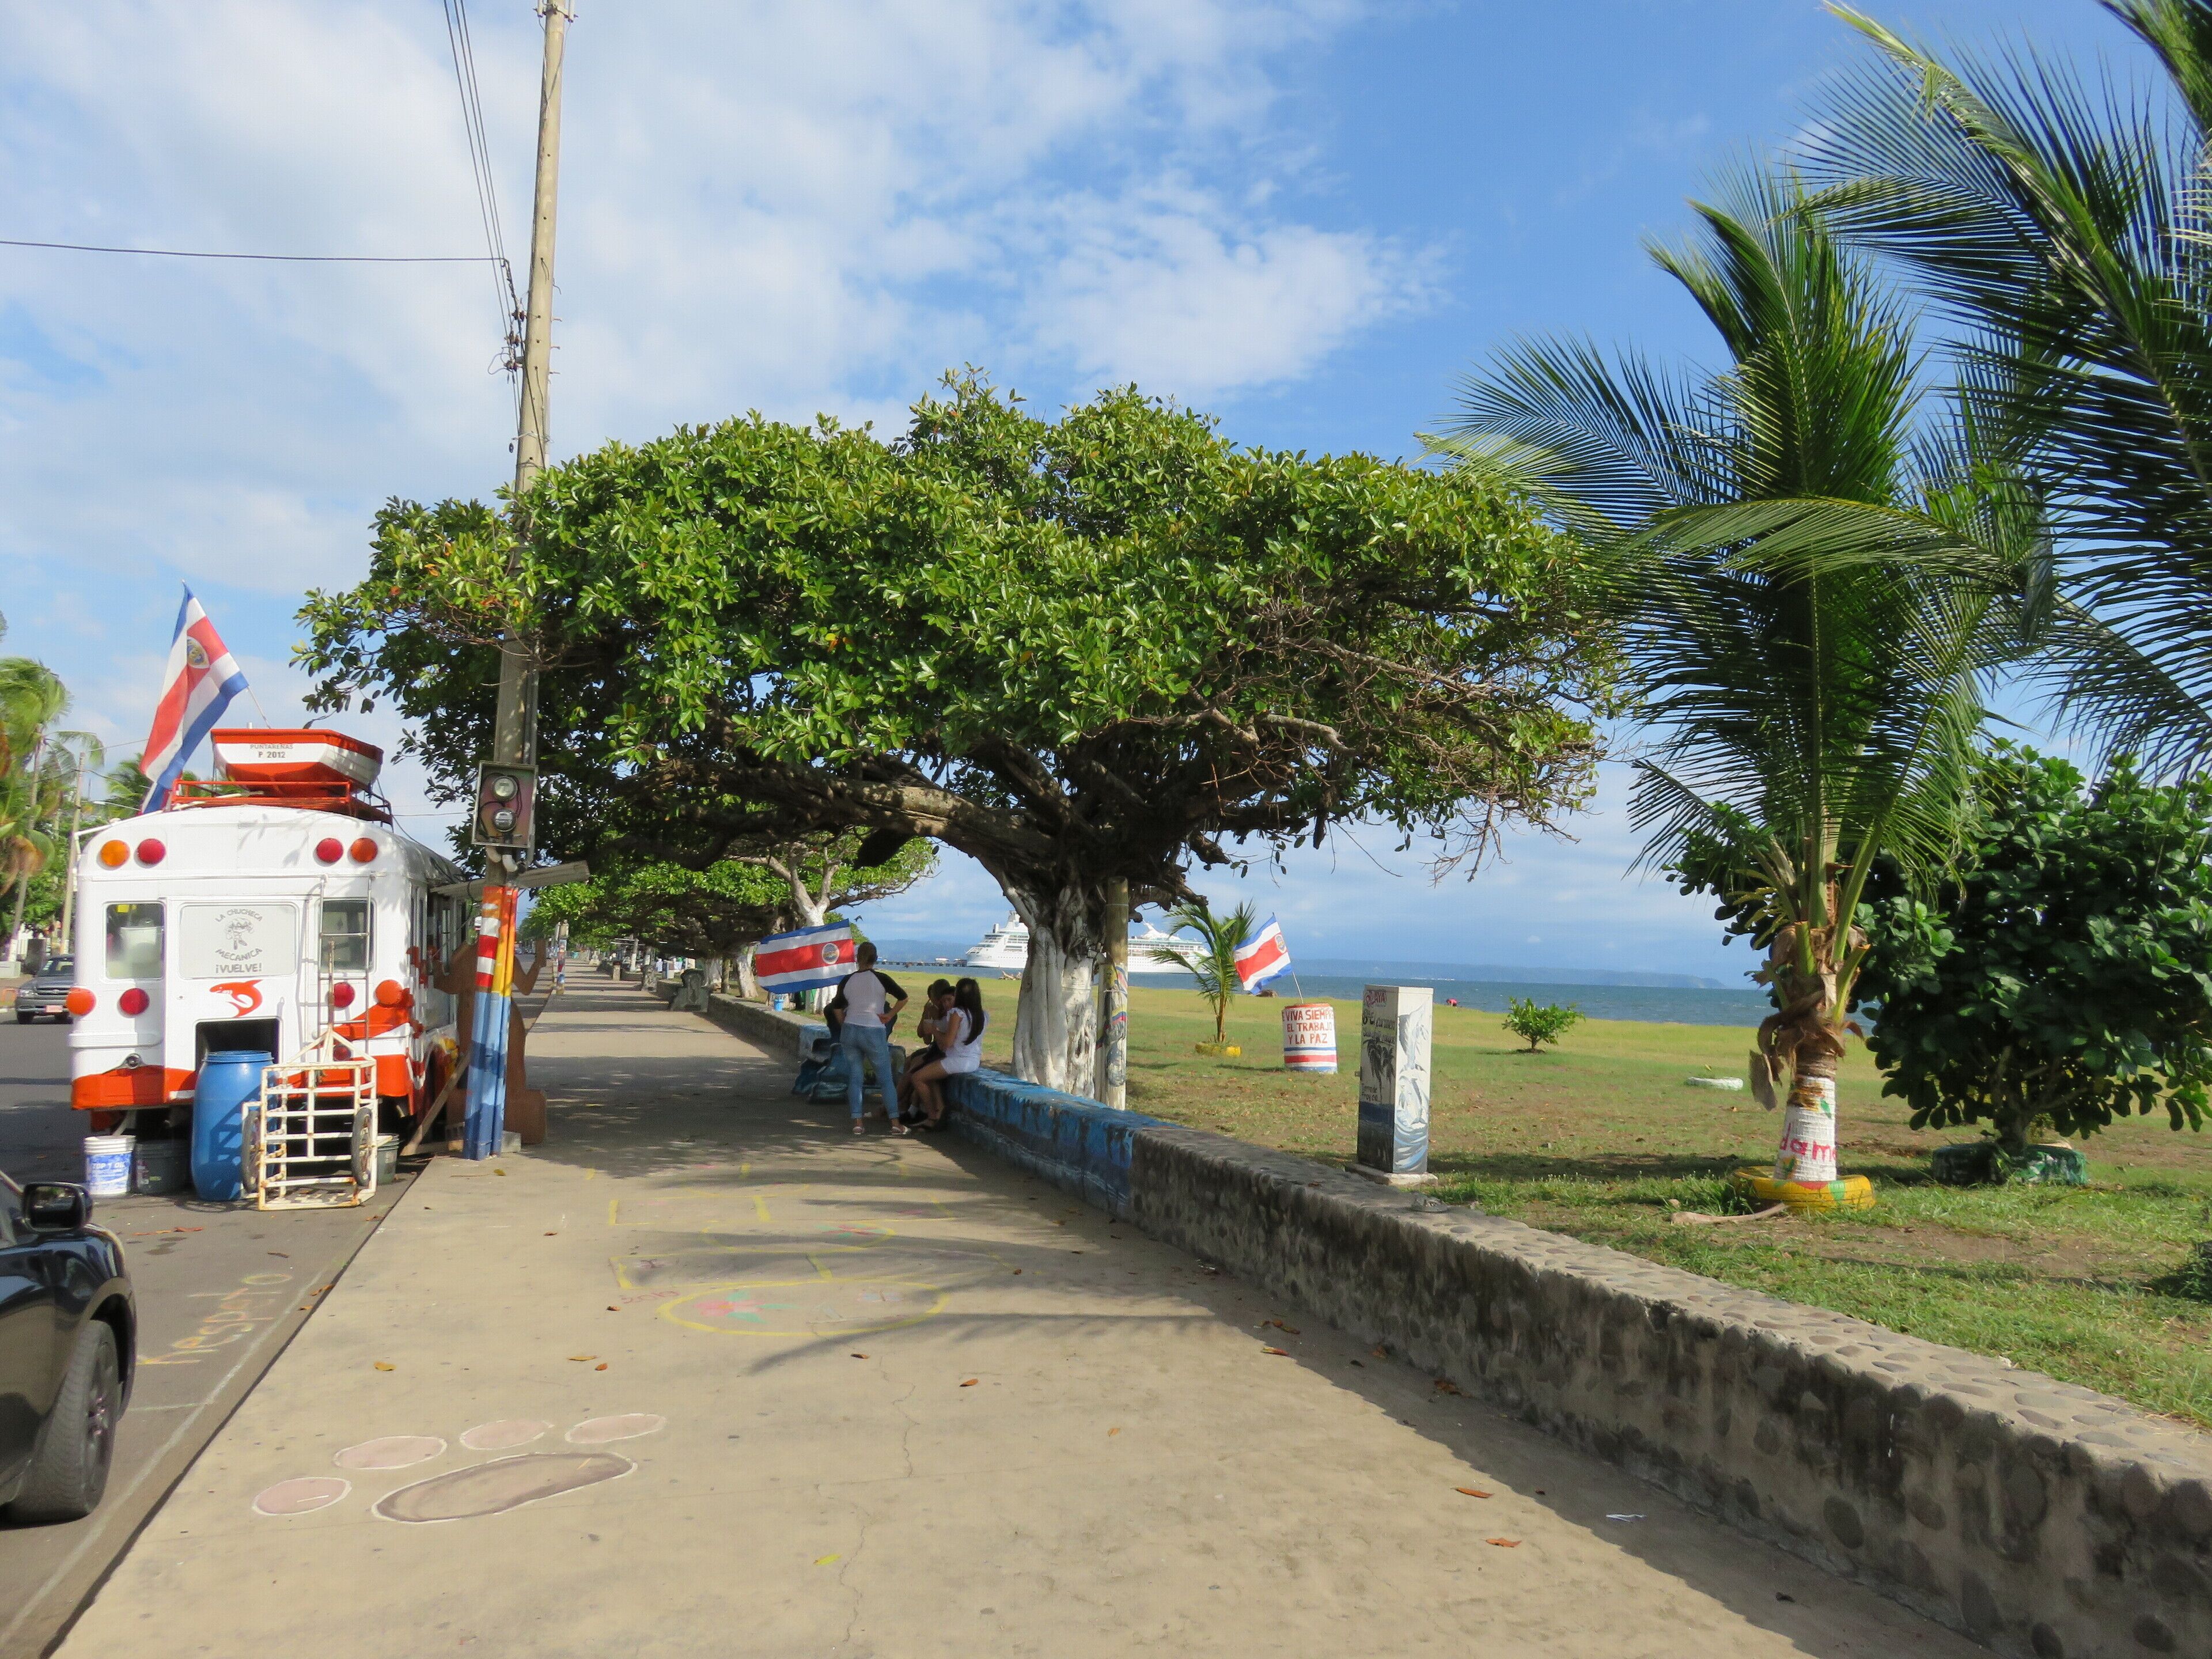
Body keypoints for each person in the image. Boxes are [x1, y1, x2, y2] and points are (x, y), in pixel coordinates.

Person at [829, 943, 907, 1134]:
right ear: (876, 958)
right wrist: (889, 1016)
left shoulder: (848, 980)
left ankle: (858, 1123)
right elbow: (903, 998)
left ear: (857, 958)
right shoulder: (881, 979)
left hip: (850, 1030)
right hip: (873, 1030)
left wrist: (844, 1023)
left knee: (855, 1078)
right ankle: (895, 1123)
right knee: (885, 1079)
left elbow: (836, 1007)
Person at [904, 977, 986, 1131]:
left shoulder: (957, 1014)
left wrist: (934, 1030)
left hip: (957, 1060)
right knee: (931, 1076)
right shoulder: (982, 1014)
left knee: (917, 1078)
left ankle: (932, 1116)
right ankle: (940, 1109)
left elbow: (948, 1042)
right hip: (973, 1061)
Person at [897, 980, 956, 1122]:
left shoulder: (950, 1015)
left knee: (915, 1070)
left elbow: (933, 1041)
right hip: (936, 1048)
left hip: (942, 1051)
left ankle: (896, 1108)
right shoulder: (935, 1010)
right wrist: (926, 1013)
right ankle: (906, 1105)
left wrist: (934, 1021)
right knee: (911, 1062)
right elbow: (923, 1035)